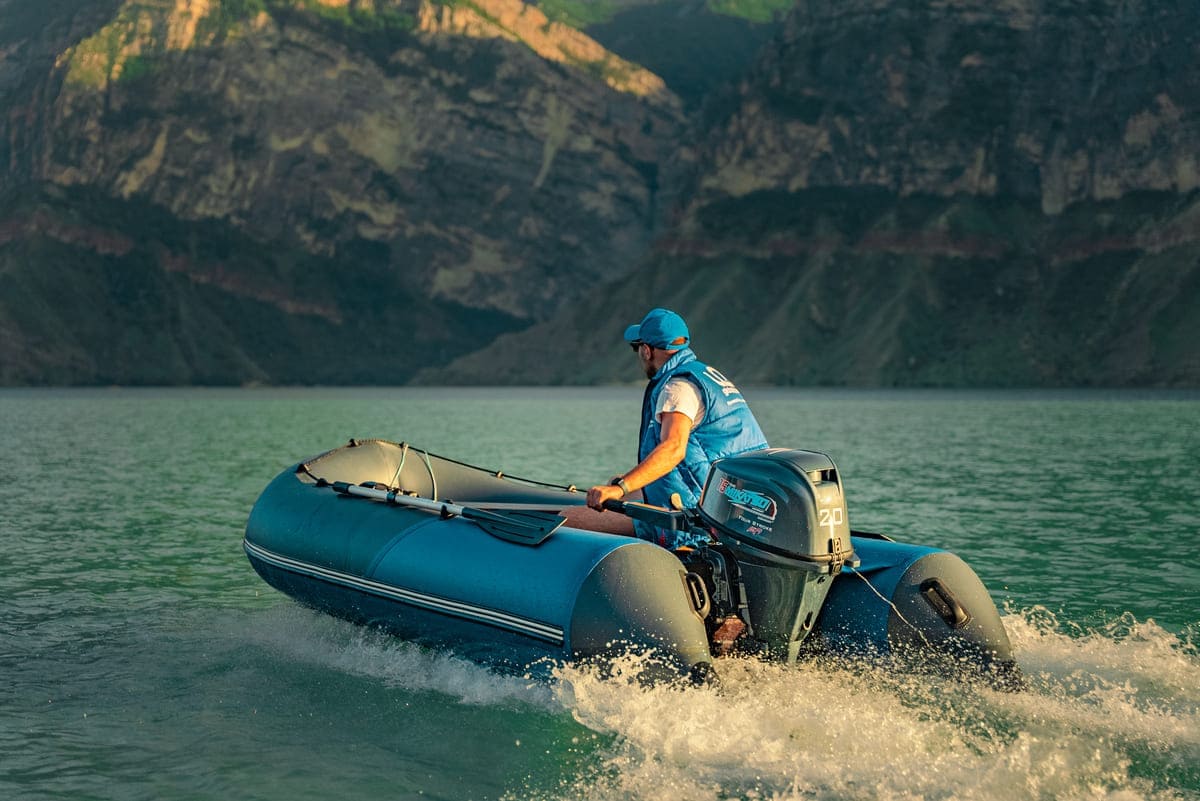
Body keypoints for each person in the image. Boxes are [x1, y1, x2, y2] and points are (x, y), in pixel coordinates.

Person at [573, 308, 769, 549]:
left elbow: (673, 448)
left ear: (647, 351)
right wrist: (624, 484)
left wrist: (620, 488)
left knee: (566, 520)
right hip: (730, 508)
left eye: (637, 348)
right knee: (619, 487)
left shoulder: (677, 388)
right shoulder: (705, 376)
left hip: (692, 520)